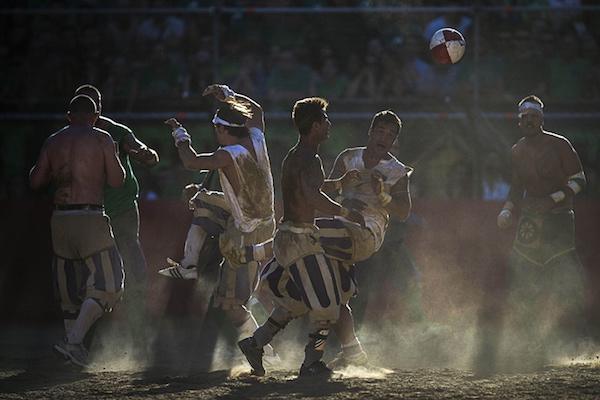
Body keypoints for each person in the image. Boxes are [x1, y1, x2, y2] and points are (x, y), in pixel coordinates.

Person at [238, 97, 365, 378]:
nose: (330, 125)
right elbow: (311, 195)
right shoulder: (309, 157)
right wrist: (345, 211)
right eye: (326, 121)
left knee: (294, 302)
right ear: (316, 125)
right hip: (299, 241)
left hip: (288, 238)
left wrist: (341, 183)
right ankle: (311, 363)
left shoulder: (298, 156)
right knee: (327, 308)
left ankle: (255, 344)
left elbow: (311, 188)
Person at [163, 84, 278, 361]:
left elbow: (191, 161)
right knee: (202, 200)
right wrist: (229, 95)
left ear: (224, 130)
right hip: (258, 220)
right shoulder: (257, 137)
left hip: (248, 230)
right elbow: (257, 111)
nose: (216, 134)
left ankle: (265, 350)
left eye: (217, 129)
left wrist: (180, 134)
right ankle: (189, 263)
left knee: (231, 303)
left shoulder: (230, 153)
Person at [29, 95, 126, 367]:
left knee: (69, 289)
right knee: (110, 283)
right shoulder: (102, 138)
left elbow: (36, 181)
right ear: (95, 116)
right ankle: (72, 342)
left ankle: (74, 349)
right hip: (90, 216)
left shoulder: (53, 140)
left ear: (69, 115)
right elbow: (118, 181)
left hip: (59, 219)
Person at [496, 94, 587, 369]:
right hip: (531, 221)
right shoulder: (517, 150)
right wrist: (508, 209)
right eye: (524, 117)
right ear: (519, 120)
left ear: (541, 119)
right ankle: (528, 340)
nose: (528, 121)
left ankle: (577, 338)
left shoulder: (560, 144)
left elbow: (580, 180)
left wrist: (553, 199)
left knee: (565, 276)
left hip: (558, 218)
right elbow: (516, 188)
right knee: (521, 274)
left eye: (533, 117)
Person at [317, 110, 413, 368]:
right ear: (370, 132)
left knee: (353, 294)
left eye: (391, 134)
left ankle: (341, 351)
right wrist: (341, 182)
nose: (385, 137)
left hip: (369, 234)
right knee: (333, 291)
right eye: (380, 131)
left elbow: (404, 212)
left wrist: (383, 197)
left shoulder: (396, 171)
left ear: (394, 141)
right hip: (341, 223)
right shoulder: (349, 157)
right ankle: (342, 352)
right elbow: (322, 190)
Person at [74, 84, 159, 356]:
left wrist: (143, 152)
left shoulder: (117, 132)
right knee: (95, 276)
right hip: (93, 212)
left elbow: (147, 153)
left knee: (133, 270)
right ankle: (84, 341)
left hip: (119, 211)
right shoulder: (70, 137)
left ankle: (137, 337)